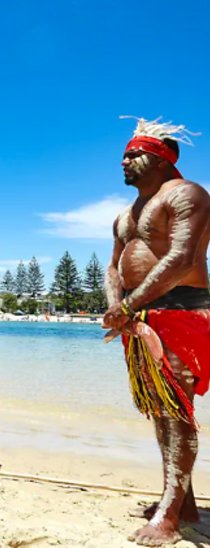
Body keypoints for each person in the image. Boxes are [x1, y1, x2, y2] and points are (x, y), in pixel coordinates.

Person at [104, 117, 210, 546]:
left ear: (163, 160)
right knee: (159, 409)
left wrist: (129, 303)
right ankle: (181, 503)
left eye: (134, 155)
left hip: (181, 313)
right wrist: (116, 303)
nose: (125, 162)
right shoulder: (124, 214)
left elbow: (183, 257)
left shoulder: (187, 195)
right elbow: (113, 265)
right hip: (140, 318)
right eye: (124, 156)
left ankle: (170, 514)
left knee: (177, 412)